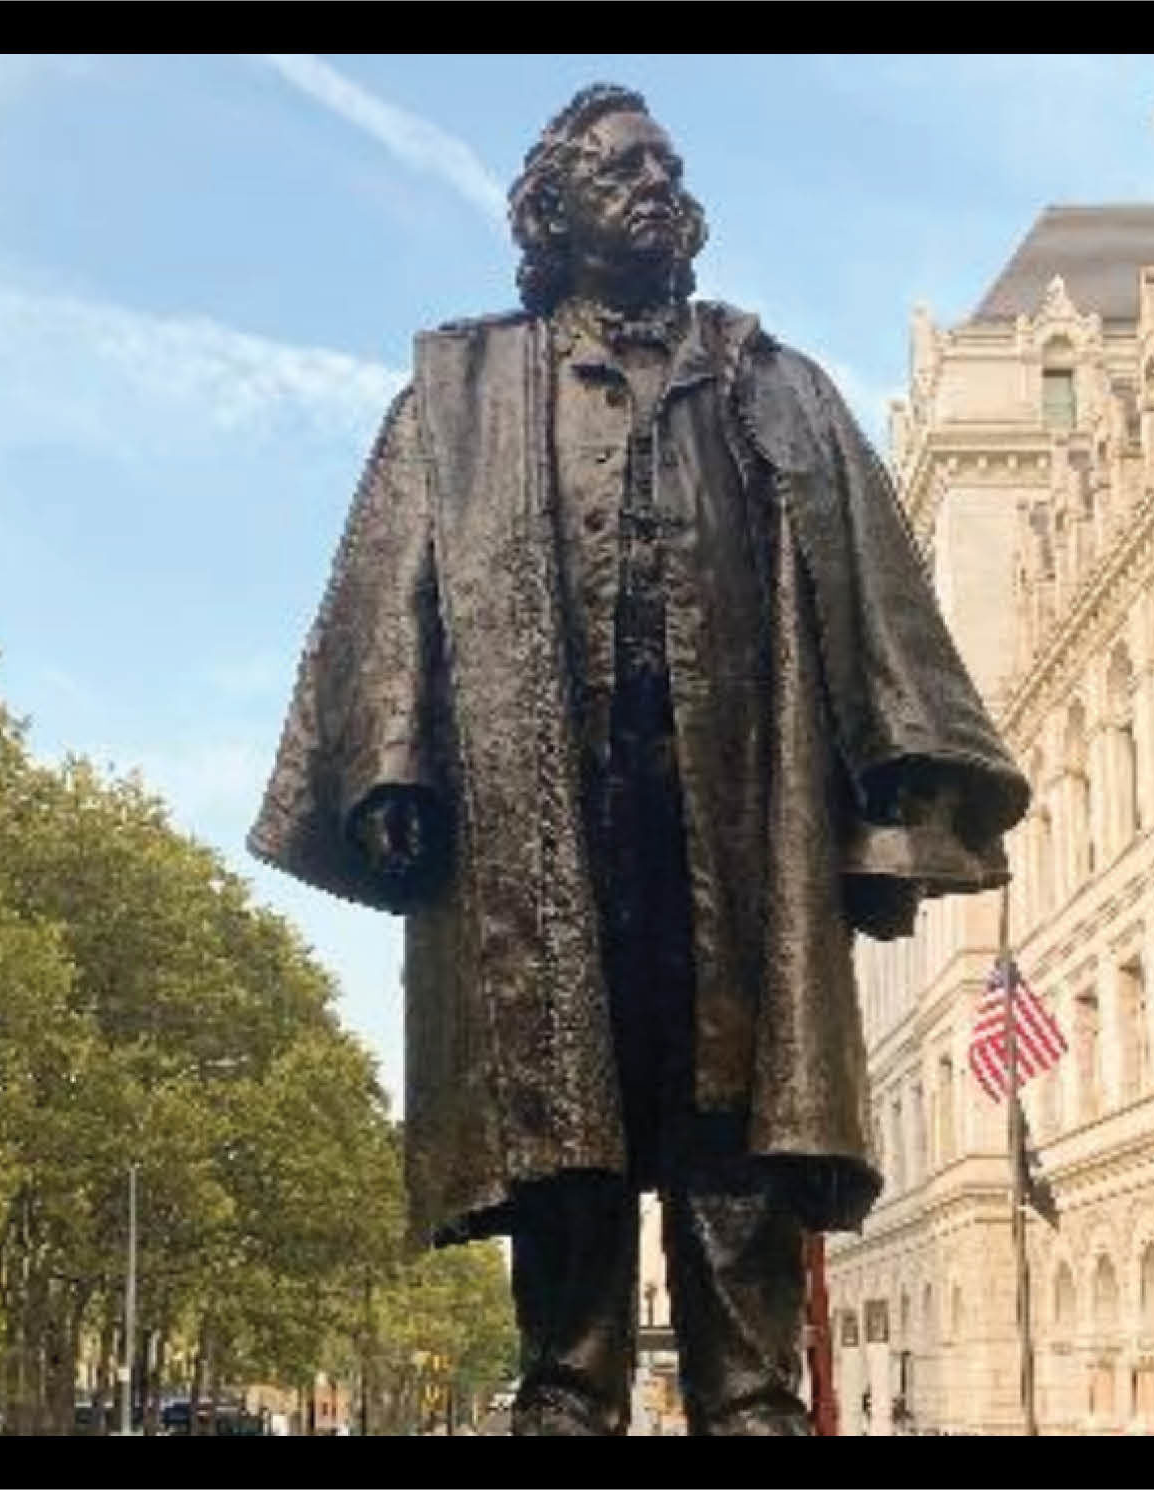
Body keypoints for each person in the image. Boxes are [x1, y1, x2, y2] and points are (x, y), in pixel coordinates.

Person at [247, 83, 1025, 1437]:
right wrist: (389, 764)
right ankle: (566, 1392)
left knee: (740, 1112)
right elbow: (396, 591)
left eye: (670, 163)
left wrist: (899, 791)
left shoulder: (772, 384)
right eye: (623, 168)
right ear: (554, 207)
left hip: (736, 820)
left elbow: (880, 603)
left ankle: (750, 1395)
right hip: (536, 827)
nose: (657, 182)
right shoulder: (464, 392)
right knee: (562, 1116)